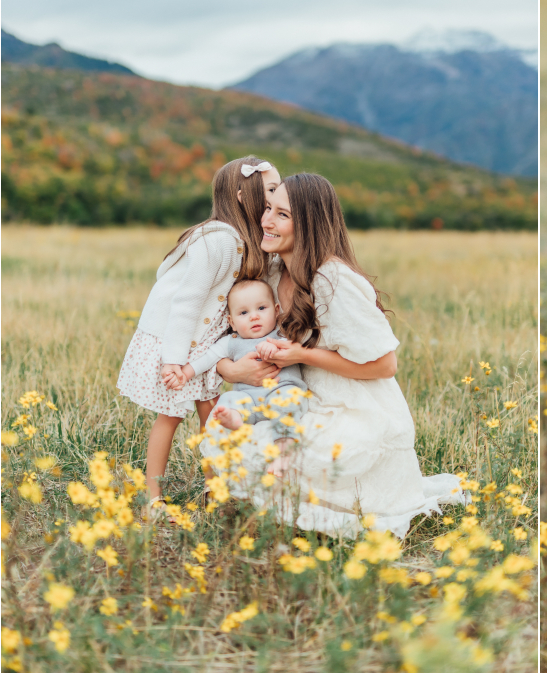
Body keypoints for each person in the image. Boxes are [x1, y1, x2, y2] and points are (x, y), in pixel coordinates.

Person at [200, 173, 465, 538]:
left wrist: (303, 356)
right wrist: (231, 369)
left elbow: (386, 365)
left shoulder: (333, 280)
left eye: (282, 215)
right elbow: (229, 337)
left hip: (354, 407)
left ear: (308, 225)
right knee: (229, 425)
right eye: (267, 209)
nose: (267, 221)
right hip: (305, 398)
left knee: (292, 451)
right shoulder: (276, 273)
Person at [116, 157, 279, 509]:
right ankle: (153, 498)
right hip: (178, 340)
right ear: (241, 195)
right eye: (270, 189)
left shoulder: (247, 238)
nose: (277, 194)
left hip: (204, 341)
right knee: (171, 415)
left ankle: (215, 490)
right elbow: (186, 303)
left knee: (213, 413)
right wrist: (174, 360)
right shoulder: (219, 240)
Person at [185, 280, 307, 433]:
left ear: (276, 311)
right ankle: (235, 417)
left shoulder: (282, 333)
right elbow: (208, 357)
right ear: (232, 322)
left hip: (281, 391)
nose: (254, 316)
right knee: (227, 399)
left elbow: (295, 346)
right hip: (248, 399)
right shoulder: (231, 342)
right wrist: (186, 373)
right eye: (244, 313)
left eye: (261, 308)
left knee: (289, 400)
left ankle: (283, 437)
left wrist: (275, 346)